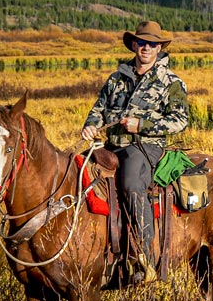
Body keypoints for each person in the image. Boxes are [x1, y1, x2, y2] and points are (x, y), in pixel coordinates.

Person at [80, 20, 190, 284]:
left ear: (160, 47)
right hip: (111, 146)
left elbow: (180, 120)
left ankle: (144, 258)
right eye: (142, 42)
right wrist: (91, 125)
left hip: (145, 146)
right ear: (133, 44)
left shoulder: (170, 82)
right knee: (77, 169)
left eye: (152, 43)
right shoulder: (116, 78)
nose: (146, 48)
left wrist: (142, 125)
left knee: (131, 184)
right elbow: (99, 108)